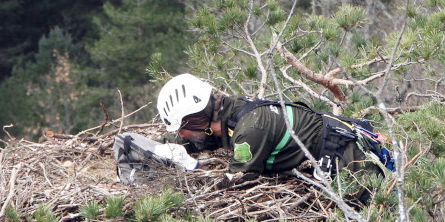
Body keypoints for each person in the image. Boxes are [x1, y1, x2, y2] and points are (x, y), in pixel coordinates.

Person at [157, 73, 391, 186]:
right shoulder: (227, 116)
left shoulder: (249, 130)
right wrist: (157, 147)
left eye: (181, 129)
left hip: (356, 170)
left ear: (197, 120)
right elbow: (203, 138)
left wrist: (188, 184)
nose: (180, 135)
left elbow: (238, 181)